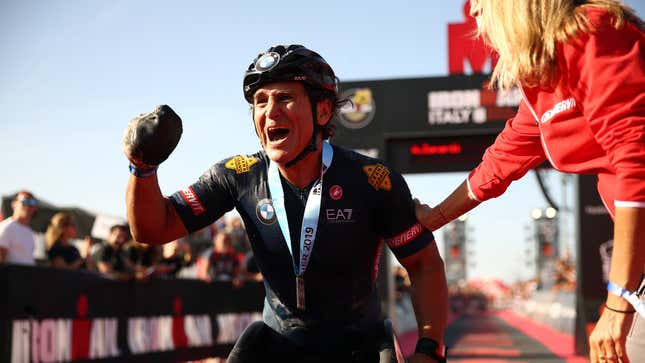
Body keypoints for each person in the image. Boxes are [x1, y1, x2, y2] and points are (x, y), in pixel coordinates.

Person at [123, 44, 449, 363]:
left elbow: (423, 264)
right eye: (260, 101)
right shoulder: (238, 175)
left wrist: (431, 350)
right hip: (278, 345)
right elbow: (154, 228)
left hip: (359, 348)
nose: (270, 112)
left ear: (322, 110)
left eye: (285, 98)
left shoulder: (373, 179)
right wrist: (143, 168)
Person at [414, 1, 645, 362]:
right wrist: (435, 217)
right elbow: (499, 163)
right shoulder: (542, 80)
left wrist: (617, 304)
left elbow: (637, 164)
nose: (472, 11)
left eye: (480, 2)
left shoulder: (590, 30)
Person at [0, 191, 37, 265]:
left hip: (26, 275)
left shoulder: (29, 231)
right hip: (10, 275)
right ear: (14, 204)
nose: (28, 206)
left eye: (32, 203)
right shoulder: (7, 227)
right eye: (25, 202)